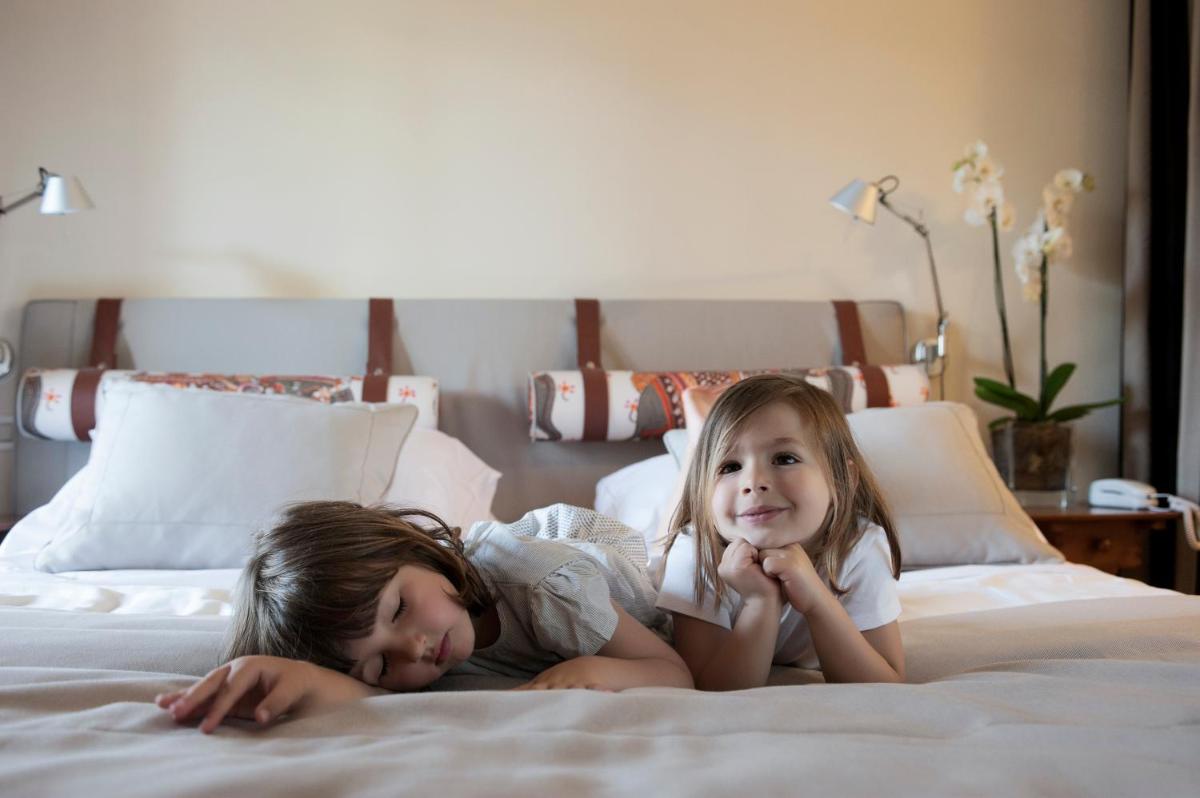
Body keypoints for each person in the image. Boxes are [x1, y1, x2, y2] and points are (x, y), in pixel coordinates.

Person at [157, 502, 692, 732]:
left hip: (643, 597)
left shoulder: (545, 587)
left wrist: (595, 669)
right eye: (380, 665)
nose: (413, 649)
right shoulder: (419, 646)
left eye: (398, 608)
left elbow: (675, 674)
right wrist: (304, 678)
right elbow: (376, 700)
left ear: (413, 548)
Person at [656, 373, 905, 690]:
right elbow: (709, 688)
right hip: (664, 562)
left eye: (784, 458)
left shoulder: (858, 545)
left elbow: (886, 683)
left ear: (841, 479)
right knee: (661, 545)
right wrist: (761, 602)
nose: (753, 482)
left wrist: (817, 600)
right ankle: (697, 438)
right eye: (730, 466)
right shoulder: (695, 551)